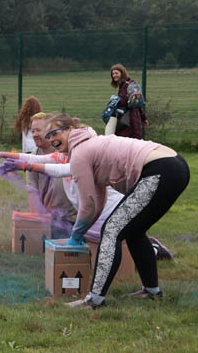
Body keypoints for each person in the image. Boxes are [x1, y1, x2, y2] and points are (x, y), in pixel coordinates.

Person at [44, 114, 189, 308]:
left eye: (55, 133)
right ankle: (152, 291)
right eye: (48, 136)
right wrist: (83, 230)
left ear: (70, 129)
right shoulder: (89, 143)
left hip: (160, 170)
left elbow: (87, 204)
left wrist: (76, 234)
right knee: (134, 231)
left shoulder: (79, 152)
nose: (51, 139)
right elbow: (97, 200)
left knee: (111, 231)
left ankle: (94, 300)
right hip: (175, 166)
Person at [0, 117, 175, 261]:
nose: (53, 140)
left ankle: (153, 250)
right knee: (96, 245)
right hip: (93, 212)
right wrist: (1, 154)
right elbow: (38, 159)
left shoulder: (83, 156)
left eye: (55, 135)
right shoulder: (65, 154)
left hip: (106, 209)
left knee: (112, 240)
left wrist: (25, 167)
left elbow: (61, 170)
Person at [0, 112, 77, 237]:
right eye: (32, 131)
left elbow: (57, 170)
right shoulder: (35, 155)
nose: (34, 135)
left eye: (38, 130)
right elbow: (32, 190)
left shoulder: (64, 151)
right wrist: (37, 223)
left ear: (50, 131)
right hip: (50, 219)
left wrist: (23, 165)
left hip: (72, 218)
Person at [109, 64, 148, 139]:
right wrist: (143, 118)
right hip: (136, 119)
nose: (114, 75)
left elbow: (123, 102)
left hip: (127, 120)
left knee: (124, 142)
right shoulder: (131, 84)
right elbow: (138, 104)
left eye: (116, 73)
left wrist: (114, 102)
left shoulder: (125, 86)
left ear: (122, 73)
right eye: (112, 74)